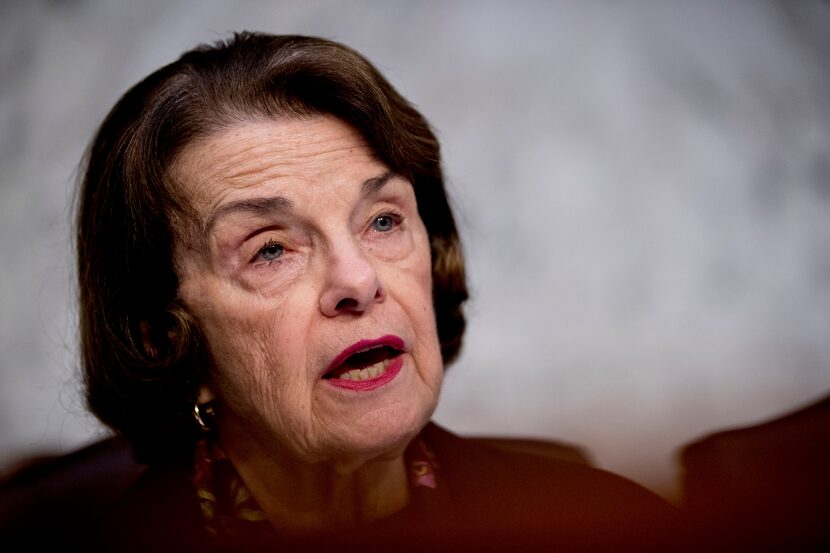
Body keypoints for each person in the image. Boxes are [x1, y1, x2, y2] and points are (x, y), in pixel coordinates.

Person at [58, 32, 682, 552]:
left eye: (382, 220)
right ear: (164, 338)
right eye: (270, 249)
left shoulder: (606, 527)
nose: (358, 282)